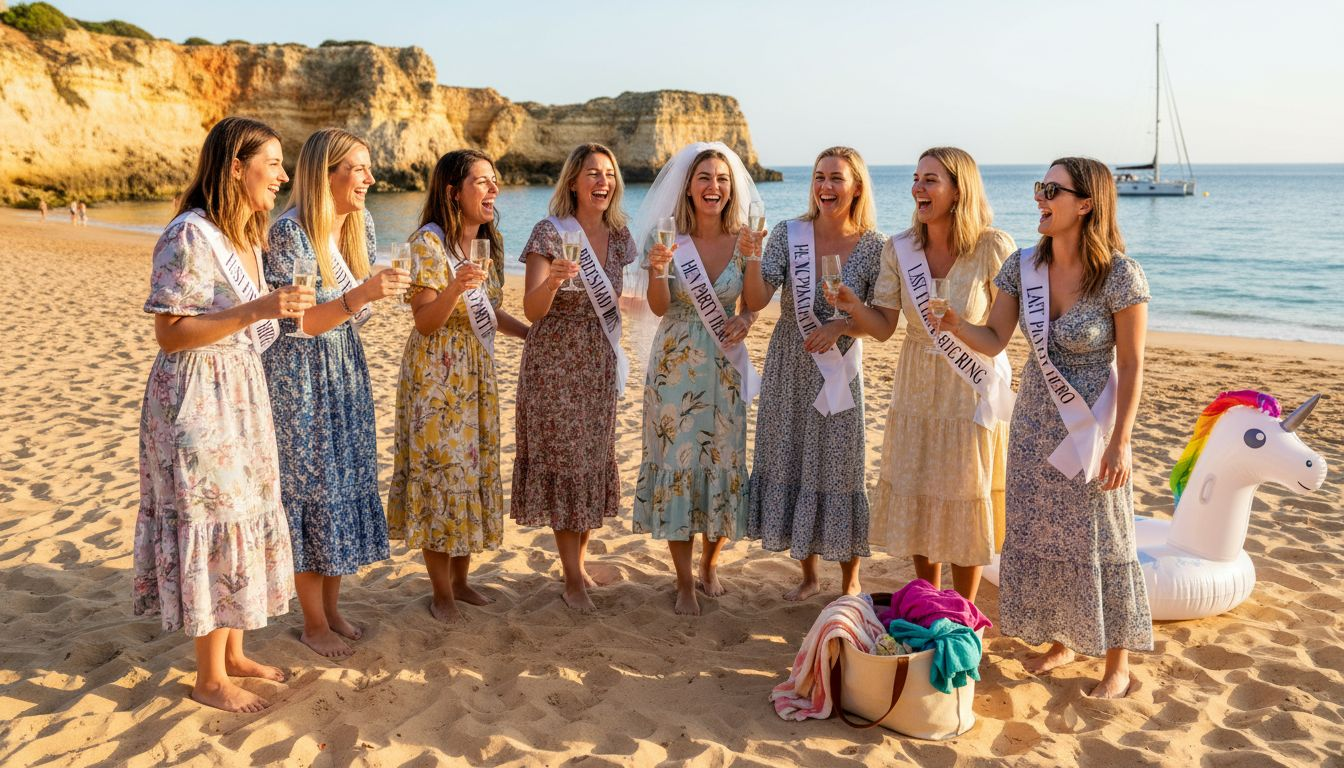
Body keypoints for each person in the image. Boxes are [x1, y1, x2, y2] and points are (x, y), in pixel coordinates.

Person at [936, 156, 1152, 698]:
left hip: (1095, 420)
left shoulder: (1120, 275)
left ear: (1086, 203)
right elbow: (993, 341)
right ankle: (1060, 640)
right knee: (1040, 531)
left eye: (1052, 190)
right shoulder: (1022, 267)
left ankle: (1116, 664)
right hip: (1034, 418)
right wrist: (956, 325)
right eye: (1040, 187)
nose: (1040, 197)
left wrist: (1121, 442)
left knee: (1103, 534)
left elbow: (1131, 365)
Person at [133, 116, 313, 713]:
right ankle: (208, 678)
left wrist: (262, 309)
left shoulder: (243, 235)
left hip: (239, 391)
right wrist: (256, 308)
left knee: (247, 509)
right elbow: (171, 332)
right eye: (274, 162)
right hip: (197, 396)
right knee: (213, 518)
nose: (283, 175)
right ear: (236, 167)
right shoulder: (189, 234)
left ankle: (234, 654)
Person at [833, 147, 1014, 603]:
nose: (918, 187)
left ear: (958, 190)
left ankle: (963, 609)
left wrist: (961, 327)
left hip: (967, 386)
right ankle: (930, 600)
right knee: (919, 490)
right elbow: (884, 327)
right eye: (916, 178)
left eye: (930, 180)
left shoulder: (994, 247)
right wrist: (855, 309)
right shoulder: (900, 249)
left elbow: (1001, 333)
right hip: (915, 386)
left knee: (963, 495)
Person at [262, 128, 409, 658]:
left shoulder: (359, 225)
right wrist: (365, 293)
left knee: (343, 484)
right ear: (327, 174)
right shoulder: (289, 234)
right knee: (312, 492)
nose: (371, 178)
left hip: (344, 366)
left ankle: (333, 610)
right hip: (301, 375)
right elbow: (299, 323)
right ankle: (312, 623)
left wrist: (369, 295)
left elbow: (351, 310)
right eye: (360, 168)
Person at [387, 149, 529, 622]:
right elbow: (426, 321)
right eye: (483, 182)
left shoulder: (487, 243)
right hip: (437, 374)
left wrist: (529, 334)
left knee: (472, 471)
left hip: (475, 372)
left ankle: (463, 582)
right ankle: (441, 593)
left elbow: (487, 311)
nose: (494, 190)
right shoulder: (427, 245)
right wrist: (455, 285)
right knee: (442, 474)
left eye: (495, 181)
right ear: (454, 191)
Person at [742, 146, 886, 601]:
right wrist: (751, 257)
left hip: (840, 368)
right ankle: (807, 574)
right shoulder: (788, 234)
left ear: (856, 186)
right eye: (819, 177)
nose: (826, 186)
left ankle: (850, 579)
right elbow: (758, 298)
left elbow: (882, 324)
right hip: (791, 360)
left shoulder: (874, 247)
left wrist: (843, 322)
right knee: (792, 458)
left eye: (836, 178)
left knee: (842, 468)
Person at [630, 142, 761, 616]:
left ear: (732, 189)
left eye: (722, 179)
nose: (714, 187)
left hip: (725, 364)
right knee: (679, 462)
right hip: (675, 363)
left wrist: (746, 319)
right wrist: (660, 270)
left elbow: (753, 301)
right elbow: (660, 306)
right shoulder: (666, 239)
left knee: (722, 462)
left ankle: (710, 563)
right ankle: (684, 580)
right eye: (704, 177)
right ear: (689, 186)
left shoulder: (747, 238)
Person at [512, 143, 636, 612]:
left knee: (589, 461)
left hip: (598, 362)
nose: (602, 182)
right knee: (565, 463)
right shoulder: (549, 232)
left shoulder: (621, 237)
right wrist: (553, 281)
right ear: (572, 182)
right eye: (593, 174)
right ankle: (570, 578)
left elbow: (627, 301)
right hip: (556, 362)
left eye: (609, 174)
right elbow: (531, 309)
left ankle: (579, 565)